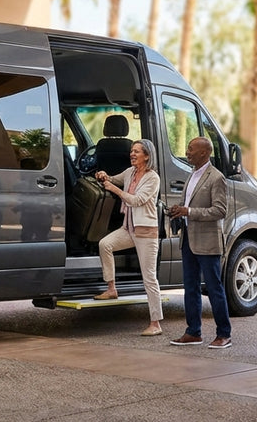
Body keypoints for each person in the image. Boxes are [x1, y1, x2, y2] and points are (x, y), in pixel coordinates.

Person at [92, 138, 164, 337]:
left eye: (137, 152)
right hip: (129, 228)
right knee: (105, 244)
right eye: (132, 151)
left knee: (149, 278)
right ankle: (111, 288)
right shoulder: (130, 172)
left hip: (145, 232)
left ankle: (155, 323)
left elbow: (137, 200)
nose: (132, 154)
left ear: (147, 156)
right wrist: (104, 175)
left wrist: (114, 190)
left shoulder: (152, 178)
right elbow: (115, 179)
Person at [167, 137, 231, 349]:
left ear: (205, 153)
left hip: (208, 241)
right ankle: (193, 332)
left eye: (191, 149)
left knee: (214, 288)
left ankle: (224, 334)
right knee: (190, 287)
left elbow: (220, 210)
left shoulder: (216, 178)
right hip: (188, 239)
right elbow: (189, 204)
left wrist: (189, 212)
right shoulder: (192, 175)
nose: (187, 152)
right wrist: (179, 210)